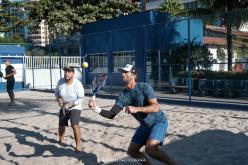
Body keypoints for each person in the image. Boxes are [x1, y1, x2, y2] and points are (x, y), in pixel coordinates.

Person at [88, 64, 177, 165]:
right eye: (122, 72)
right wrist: (96, 108)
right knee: (132, 151)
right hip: (144, 125)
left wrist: (136, 109)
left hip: (158, 122)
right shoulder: (123, 95)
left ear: (134, 75)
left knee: (150, 149)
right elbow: (111, 114)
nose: (122, 74)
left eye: (126, 72)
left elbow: (156, 107)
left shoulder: (145, 87)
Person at [55, 66, 85, 152]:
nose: (66, 73)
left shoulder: (77, 83)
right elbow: (56, 93)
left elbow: (81, 98)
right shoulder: (60, 81)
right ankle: (61, 139)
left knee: (74, 125)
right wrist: (59, 99)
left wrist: (71, 104)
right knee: (61, 125)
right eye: (65, 71)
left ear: (73, 73)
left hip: (75, 107)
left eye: (69, 72)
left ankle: (78, 145)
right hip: (63, 107)